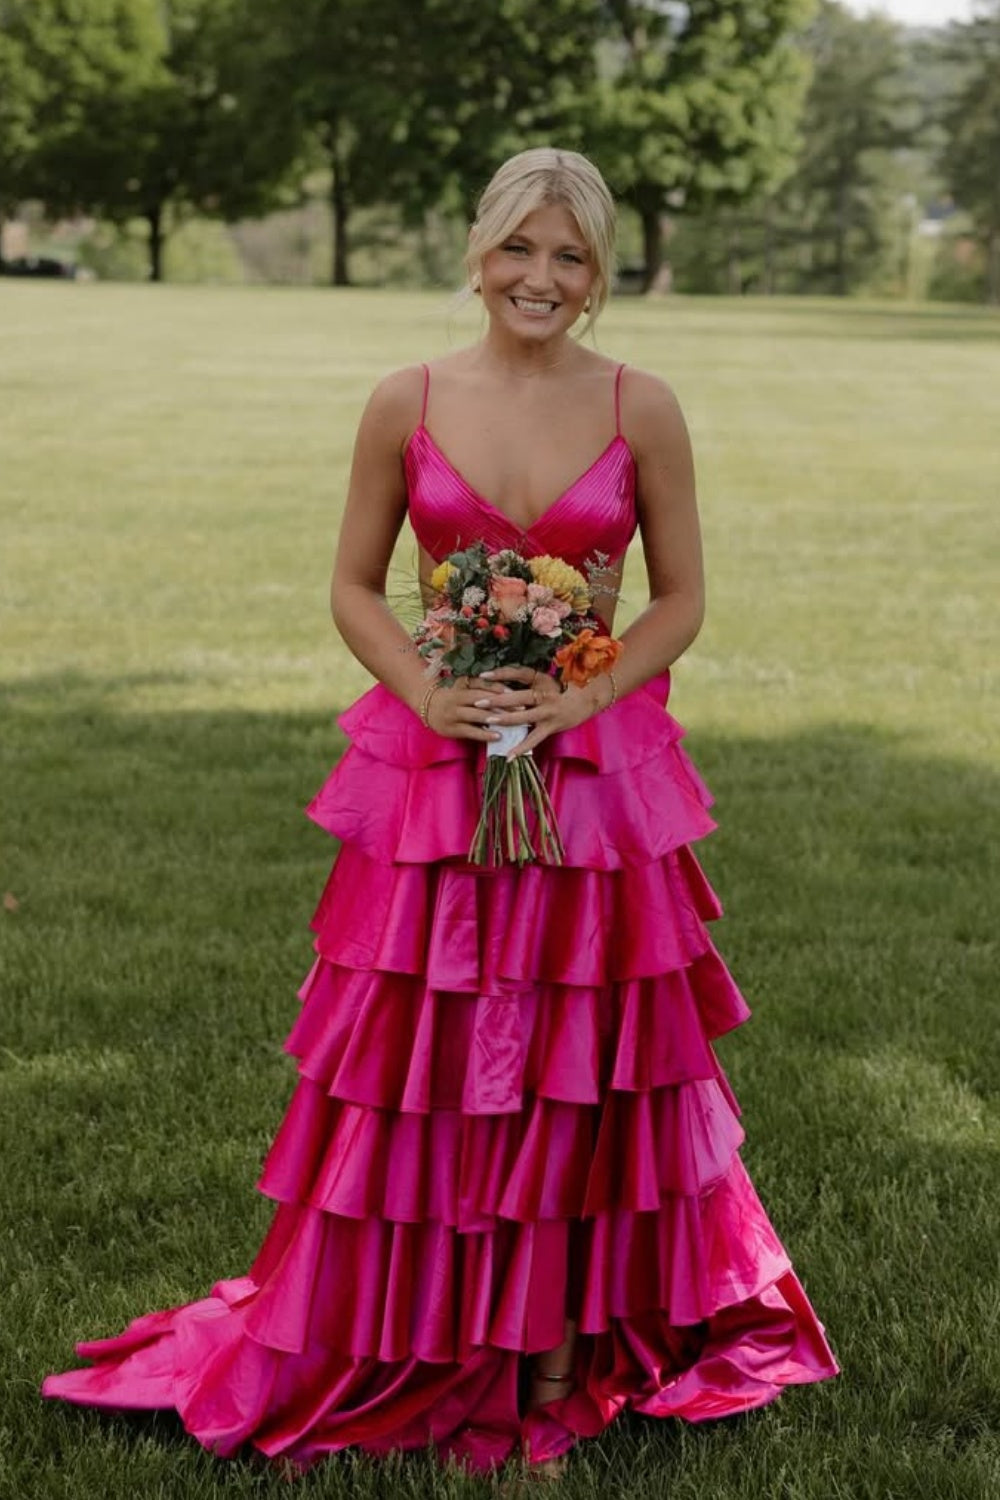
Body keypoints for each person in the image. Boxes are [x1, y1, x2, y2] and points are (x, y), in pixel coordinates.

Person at [42, 147, 838, 1478]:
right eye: (520, 248)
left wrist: (584, 701)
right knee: (437, 1040)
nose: (541, 275)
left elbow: (681, 598)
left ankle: (569, 1331)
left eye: (571, 256)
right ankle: (431, 1319)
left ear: (596, 280)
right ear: (478, 253)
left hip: (592, 780)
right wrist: (428, 687)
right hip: (439, 773)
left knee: (589, 1041)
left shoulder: (644, 408)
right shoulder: (402, 401)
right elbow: (356, 585)